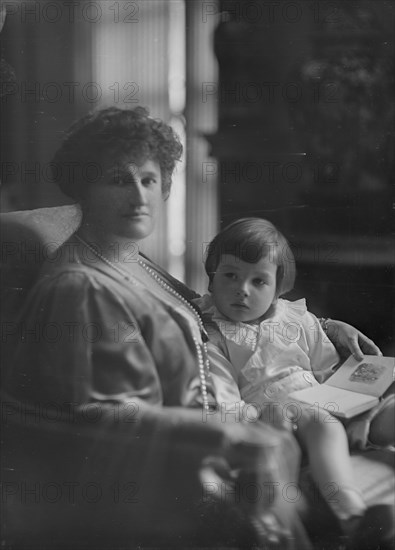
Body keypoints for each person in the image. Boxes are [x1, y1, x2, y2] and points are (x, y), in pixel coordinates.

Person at [3, 107, 386, 549]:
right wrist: (229, 432)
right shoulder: (82, 287)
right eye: (117, 179)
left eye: (148, 180)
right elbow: (100, 416)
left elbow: (205, 309)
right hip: (183, 464)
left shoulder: (127, 257)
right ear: (84, 188)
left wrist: (322, 325)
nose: (138, 196)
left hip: (237, 427)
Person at [195, 217, 394, 549]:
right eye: (231, 275)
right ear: (212, 277)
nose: (242, 289)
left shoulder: (299, 320)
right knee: (322, 423)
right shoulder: (214, 336)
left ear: (277, 288)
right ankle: (353, 516)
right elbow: (228, 401)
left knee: (387, 412)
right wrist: (261, 421)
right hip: (279, 418)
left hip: (327, 401)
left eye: (259, 281)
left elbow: (327, 370)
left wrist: (361, 397)